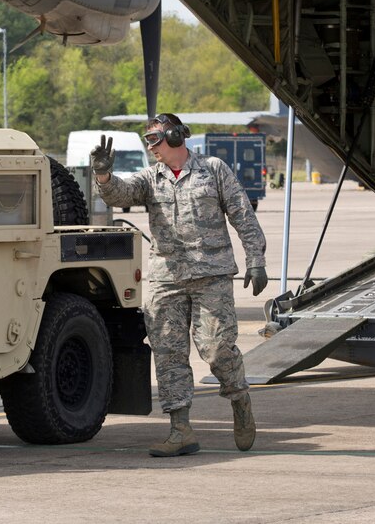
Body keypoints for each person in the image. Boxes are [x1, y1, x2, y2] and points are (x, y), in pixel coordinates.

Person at [91, 113, 268, 457]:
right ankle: (180, 429)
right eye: (147, 141)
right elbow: (119, 194)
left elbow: (242, 214)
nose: (151, 147)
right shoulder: (150, 178)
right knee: (169, 354)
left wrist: (256, 259)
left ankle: (239, 400)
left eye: (155, 139)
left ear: (175, 136)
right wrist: (103, 174)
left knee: (217, 350)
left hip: (210, 275)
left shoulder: (213, 169)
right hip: (166, 277)